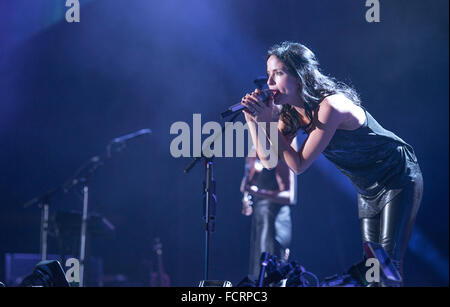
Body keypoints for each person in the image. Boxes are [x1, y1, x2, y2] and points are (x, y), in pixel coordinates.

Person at [240, 41, 423, 286]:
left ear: (300, 77)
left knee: (387, 265)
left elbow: (298, 165)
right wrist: (254, 121)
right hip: (368, 189)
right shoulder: (291, 113)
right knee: (372, 268)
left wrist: (268, 124)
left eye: (279, 73)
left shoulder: (330, 106)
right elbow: (269, 161)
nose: (270, 83)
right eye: (269, 74)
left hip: (397, 175)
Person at [240, 110, 298, 281]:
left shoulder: (283, 144)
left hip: (275, 220)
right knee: (258, 273)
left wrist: (257, 192)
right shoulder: (255, 146)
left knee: (272, 274)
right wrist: (246, 198)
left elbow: (289, 196)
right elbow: (247, 182)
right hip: (260, 217)